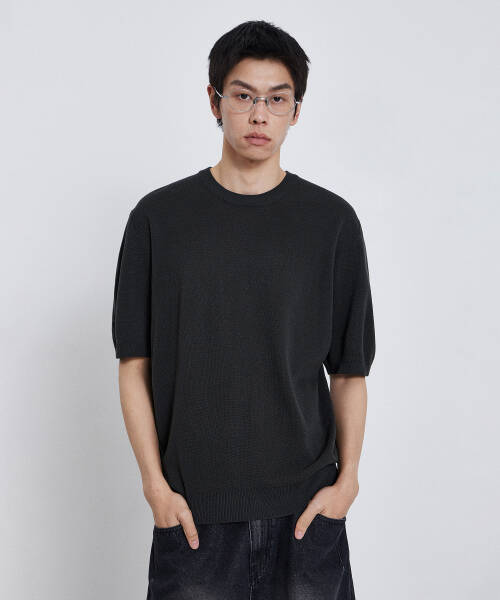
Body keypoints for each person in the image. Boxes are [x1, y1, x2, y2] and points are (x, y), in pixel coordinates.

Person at [112, 19, 375, 600]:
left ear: (296, 110)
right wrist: (155, 487)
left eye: (277, 99)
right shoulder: (158, 219)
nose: (260, 115)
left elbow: (350, 370)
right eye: (243, 96)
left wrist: (348, 484)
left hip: (307, 513)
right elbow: (134, 364)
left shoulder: (331, 222)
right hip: (193, 518)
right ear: (215, 101)